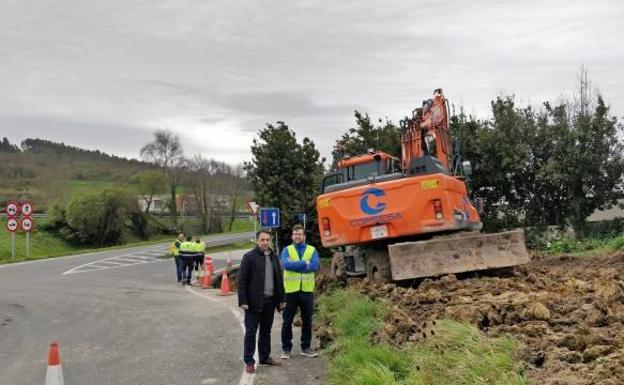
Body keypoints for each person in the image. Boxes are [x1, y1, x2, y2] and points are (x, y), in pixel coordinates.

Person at [237, 230, 285, 373]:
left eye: (267, 240)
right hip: (253, 302)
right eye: (262, 239)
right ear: (257, 241)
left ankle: (265, 357)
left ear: (270, 241)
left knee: (266, 331)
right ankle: (249, 361)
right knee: (251, 332)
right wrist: (243, 300)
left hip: (270, 301)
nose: (265, 242)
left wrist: (282, 299)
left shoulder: (274, 257)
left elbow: (279, 280)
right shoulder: (249, 257)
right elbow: (242, 281)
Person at [280, 224, 320, 359]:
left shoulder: (312, 249)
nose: (297, 236)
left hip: (307, 291)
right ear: (292, 236)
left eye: (300, 234)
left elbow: (315, 266)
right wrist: (304, 264)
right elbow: (286, 265)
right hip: (290, 291)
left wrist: (296, 265)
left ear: (304, 236)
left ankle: (306, 347)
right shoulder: (287, 250)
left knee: (307, 320)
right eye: (295, 234)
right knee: (287, 321)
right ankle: (286, 349)